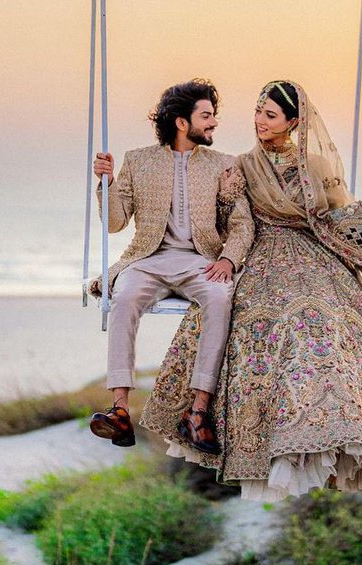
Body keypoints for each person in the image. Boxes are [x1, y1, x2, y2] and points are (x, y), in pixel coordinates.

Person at [141, 80, 362, 504]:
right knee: (279, 324)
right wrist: (224, 205)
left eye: (270, 115)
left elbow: (334, 217)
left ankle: (347, 434)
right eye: (258, 111)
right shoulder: (240, 166)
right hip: (262, 256)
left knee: (339, 322)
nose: (259, 121)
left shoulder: (315, 166)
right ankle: (277, 436)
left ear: (293, 122)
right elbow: (226, 221)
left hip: (316, 254)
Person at [88, 78, 254, 454]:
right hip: (148, 259)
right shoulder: (138, 160)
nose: (213, 123)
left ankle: (197, 412)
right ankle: (119, 411)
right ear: (182, 122)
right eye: (206, 116)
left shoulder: (225, 165)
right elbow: (115, 223)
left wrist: (228, 259)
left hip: (201, 261)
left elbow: (242, 224)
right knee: (124, 298)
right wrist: (105, 184)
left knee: (218, 298)